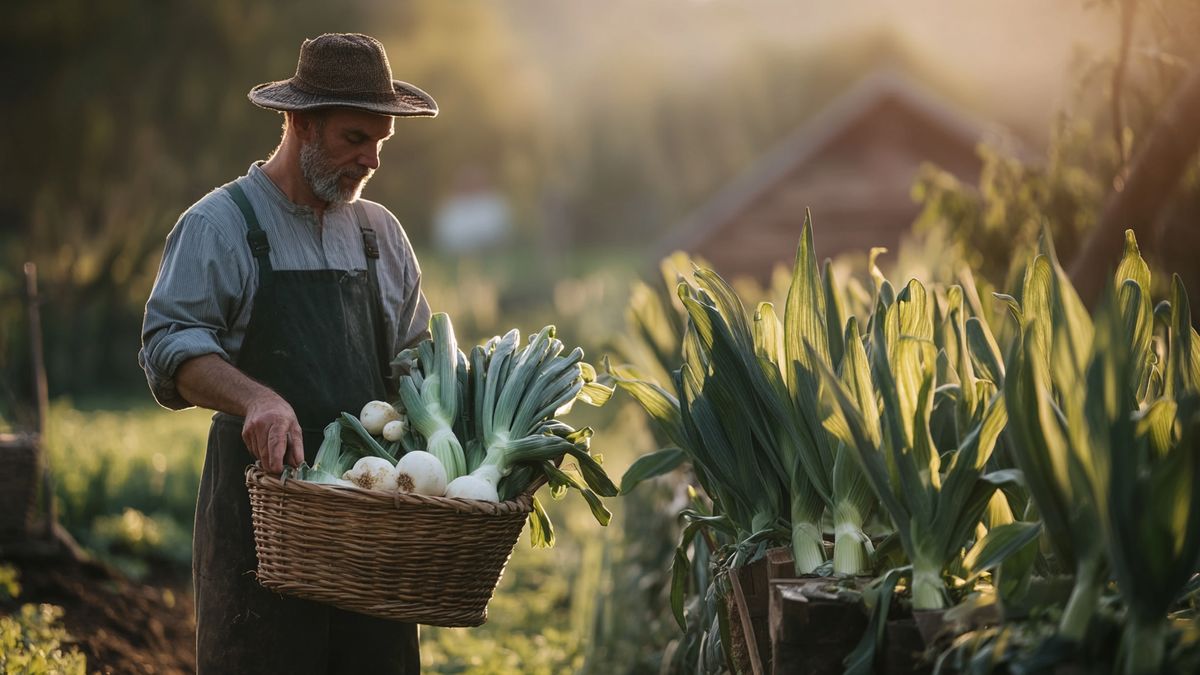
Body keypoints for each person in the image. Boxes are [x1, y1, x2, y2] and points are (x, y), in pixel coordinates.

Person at [138, 33, 436, 674]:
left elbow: (420, 361)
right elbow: (168, 343)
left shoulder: (380, 234)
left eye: (381, 142)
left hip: (371, 528)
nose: (372, 159)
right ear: (300, 123)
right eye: (355, 138)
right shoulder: (222, 225)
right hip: (260, 524)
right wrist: (256, 398)